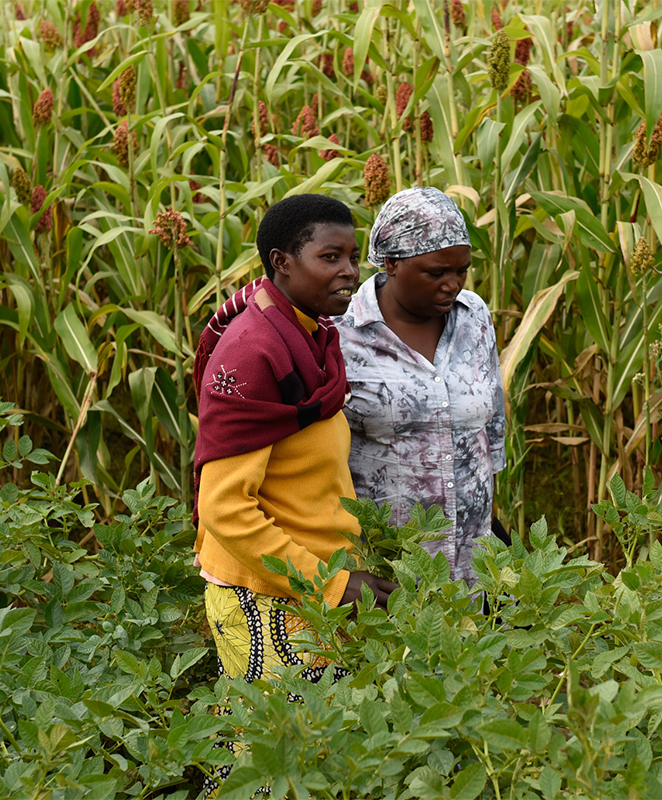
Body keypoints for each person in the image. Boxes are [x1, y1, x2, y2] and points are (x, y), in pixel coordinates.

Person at [192, 194, 398, 790]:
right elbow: (224, 506)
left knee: (297, 755)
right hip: (265, 593)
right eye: (329, 256)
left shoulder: (311, 336)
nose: (350, 272)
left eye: (353, 256)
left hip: (307, 584)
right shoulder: (255, 351)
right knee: (278, 761)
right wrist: (333, 581)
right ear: (282, 262)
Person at [336, 186, 506, 584]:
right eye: (437, 272)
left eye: (461, 270)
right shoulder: (342, 330)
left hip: (472, 557)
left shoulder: (474, 315)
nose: (453, 284)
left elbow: (492, 422)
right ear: (392, 263)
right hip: (387, 563)